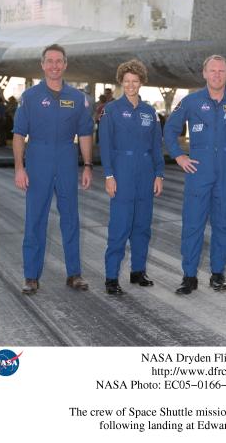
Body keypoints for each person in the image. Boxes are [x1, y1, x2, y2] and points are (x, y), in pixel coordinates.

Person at [164, 54, 226, 295]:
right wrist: (178, 155)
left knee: (224, 224)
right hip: (199, 170)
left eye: (221, 71)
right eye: (212, 71)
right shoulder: (191, 101)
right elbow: (169, 128)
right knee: (193, 225)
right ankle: (189, 276)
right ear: (204, 73)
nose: (216, 75)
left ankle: (218, 274)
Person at [13, 44, 94, 294]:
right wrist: (19, 168)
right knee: (35, 219)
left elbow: (85, 134)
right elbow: (18, 135)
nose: (54, 65)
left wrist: (88, 165)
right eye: (50, 61)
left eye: (59, 61)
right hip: (38, 159)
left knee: (70, 218)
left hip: (67, 160)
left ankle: (74, 274)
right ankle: (31, 276)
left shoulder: (78, 98)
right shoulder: (30, 97)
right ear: (42, 64)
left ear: (66, 64)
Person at [99, 59, 164, 295]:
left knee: (142, 226)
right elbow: (105, 146)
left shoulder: (150, 113)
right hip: (122, 172)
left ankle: (138, 271)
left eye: (135, 81)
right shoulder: (112, 111)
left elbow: (156, 147)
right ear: (121, 82)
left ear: (141, 82)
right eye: (126, 81)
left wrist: (159, 174)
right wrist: (109, 175)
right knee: (120, 226)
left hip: (146, 173)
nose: (130, 85)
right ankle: (111, 278)